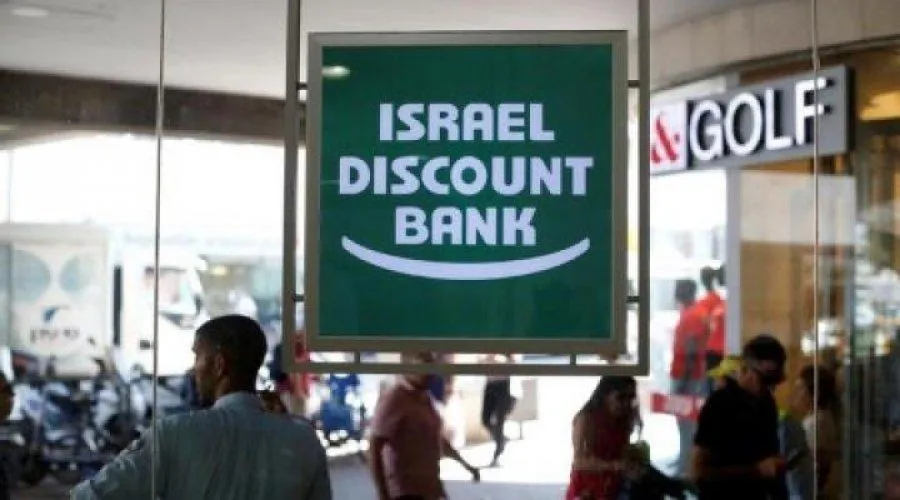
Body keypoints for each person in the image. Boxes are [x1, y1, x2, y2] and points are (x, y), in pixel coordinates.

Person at [71, 315, 331, 500]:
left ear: (219, 365)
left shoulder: (173, 434)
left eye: (197, 356)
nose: (193, 368)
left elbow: (93, 495)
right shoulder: (304, 440)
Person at [369, 352, 479, 500]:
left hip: (429, 487)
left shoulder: (424, 398)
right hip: (405, 490)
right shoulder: (394, 399)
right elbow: (375, 447)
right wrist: (383, 494)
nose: (430, 374)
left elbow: (435, 438)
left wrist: (465, 464)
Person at [691, 333, 789, 500]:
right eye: (763, 381)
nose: (767, 389)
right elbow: (699, 471)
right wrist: (756, 470)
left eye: (772, 383)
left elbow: (770, 461)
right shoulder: (719, 404)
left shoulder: (766, 404)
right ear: (745, 369)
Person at [566, 376, 639, 500]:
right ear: (605, 396)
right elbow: (579, 461)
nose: (626, 403)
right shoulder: (587, 419)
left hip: (613, 486)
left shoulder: (623, 419)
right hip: (587, 490)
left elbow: (620, 451)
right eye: (621, 397)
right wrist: (614, 466)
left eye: (631, 398)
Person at [670, 279, 708, 477]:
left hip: (687, 378)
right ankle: (683, 461)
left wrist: (682, 383)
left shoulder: (693, 315)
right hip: (687, 376)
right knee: (684, 425)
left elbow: (691, 351)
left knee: (687, 426)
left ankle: (686, 470)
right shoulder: (691, 313)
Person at [791, 365, 842, 498]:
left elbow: (815, 464)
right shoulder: (819, 418)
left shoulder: (816, 423)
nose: (795, 393)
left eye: (800, 388)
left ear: (815, 394)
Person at [481, 353, 516, 467]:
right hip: (490, 384)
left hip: (503, 384)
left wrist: (500, 359)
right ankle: (501, 440)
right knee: (485, 420)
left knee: (499, 421)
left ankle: (497, 454)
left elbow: (514, 361)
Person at [697, 266, 726, 373]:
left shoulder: (703, 303)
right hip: (722, 349)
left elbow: (705, 327)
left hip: (712, 350)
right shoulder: (721, 301)